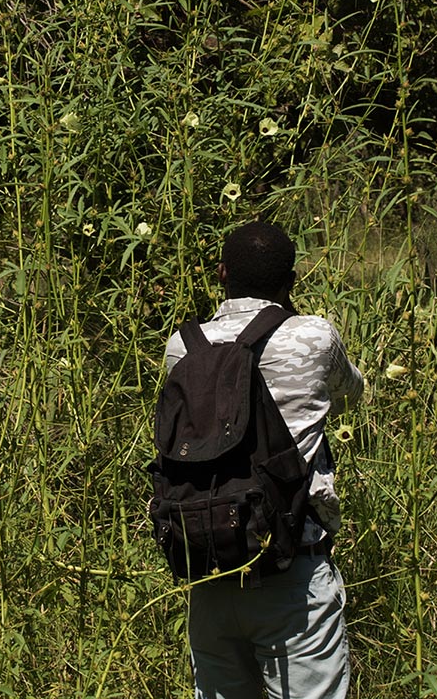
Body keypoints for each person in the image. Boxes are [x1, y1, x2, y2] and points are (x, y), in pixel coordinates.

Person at [164, 221, 364, 699]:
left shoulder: (182, 345)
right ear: (290, 280)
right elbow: (352, 395)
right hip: (291, 575)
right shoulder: (313, 336)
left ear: (221, 273)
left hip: (209, 569)